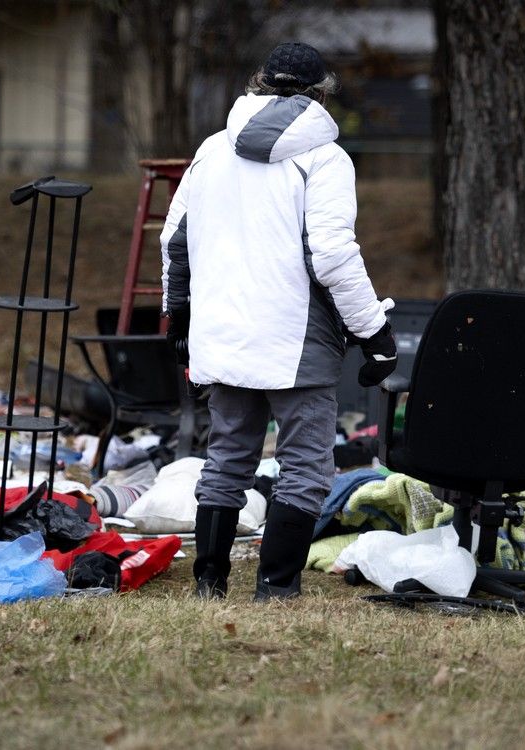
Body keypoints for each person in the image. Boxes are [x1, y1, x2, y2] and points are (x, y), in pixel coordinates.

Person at [160, 42, 397, 600]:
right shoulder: (326, 158)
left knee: (226, 462)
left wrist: (180, 316)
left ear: (259, 83)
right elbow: (334, 255)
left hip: (221, 334)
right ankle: (275, 589)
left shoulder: (213, 149)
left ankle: (209, 585)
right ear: (321, 93)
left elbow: (176, 241)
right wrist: (375, 335)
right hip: (298, 343)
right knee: (306, 469)